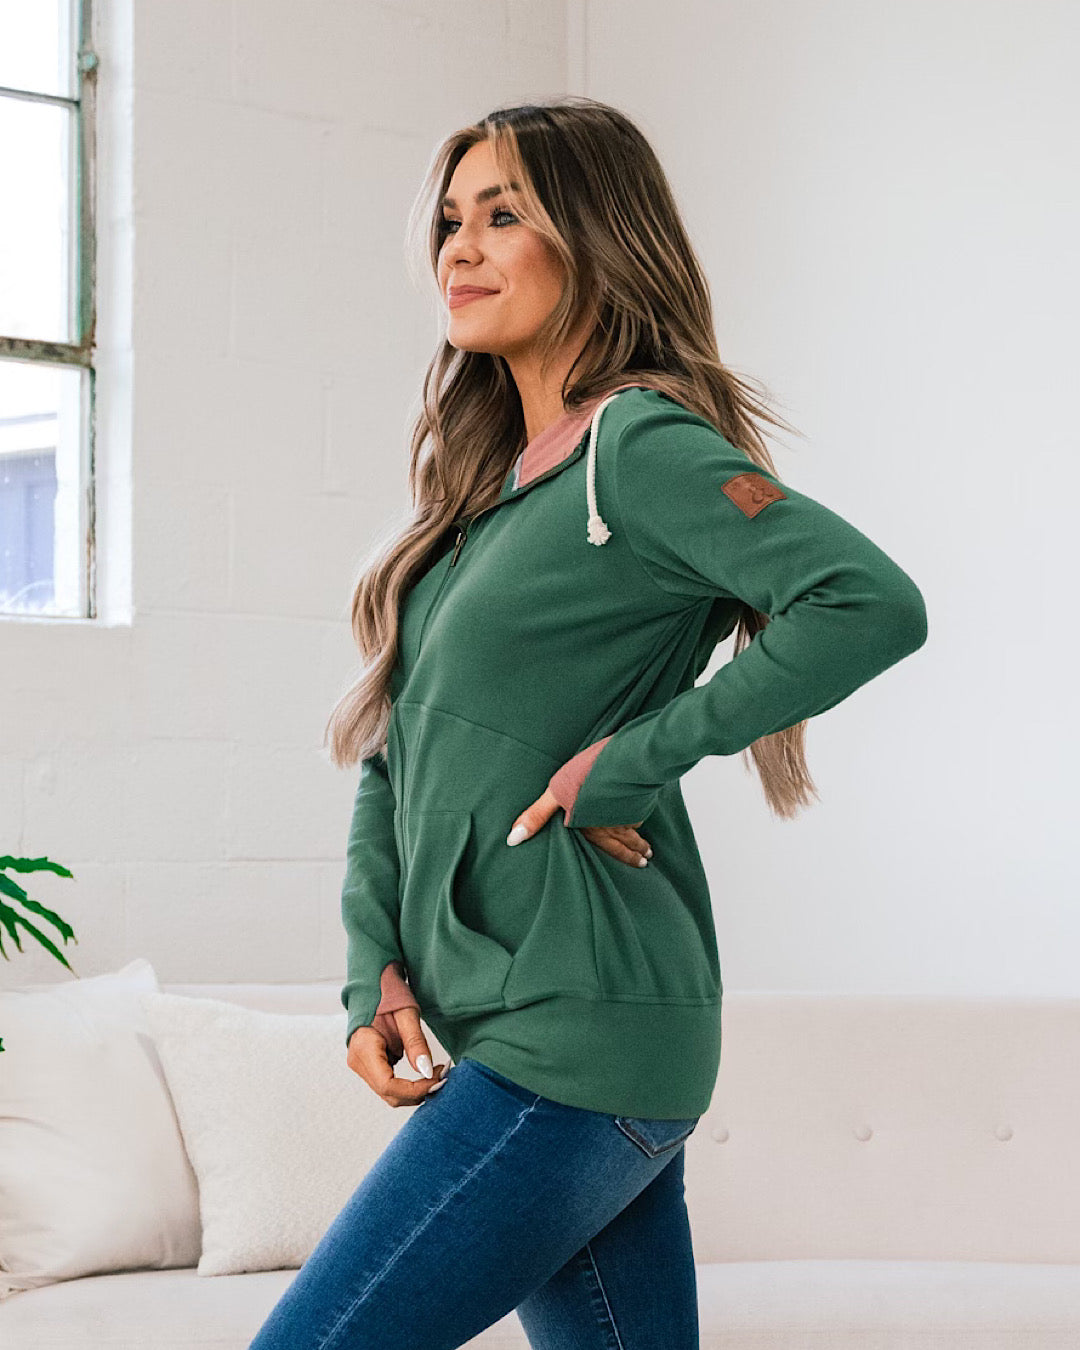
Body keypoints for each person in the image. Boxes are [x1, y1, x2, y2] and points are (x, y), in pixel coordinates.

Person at [249, 96, 928, 1350]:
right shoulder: (486, 495)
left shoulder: (640, 448)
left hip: (577, 1035)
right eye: (450, 219)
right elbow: (398, 754)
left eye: (504, 215)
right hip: (530, 1029)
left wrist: (630, 761)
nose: (459, 246)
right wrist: (373, 968)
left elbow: (868, 603)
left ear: (595, 236)